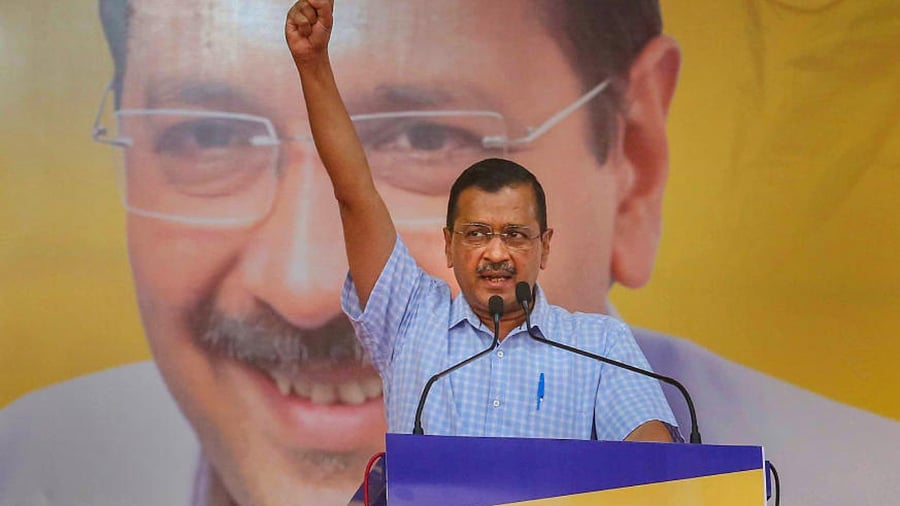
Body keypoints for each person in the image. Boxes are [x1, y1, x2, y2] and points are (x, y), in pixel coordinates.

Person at [1, 1, 898, 506]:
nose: (307, 287)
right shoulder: (33, 469)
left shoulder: (600, 361)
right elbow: (353, 191)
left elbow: (650, 449)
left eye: (428, 134)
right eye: (204, 135)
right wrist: (314, 69)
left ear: (631, 164)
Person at [288, 0, 678, 446]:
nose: (496, 253)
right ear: (449, 246)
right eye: (477, 235)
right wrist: (312, 63)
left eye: (514, 235)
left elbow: (654, 465)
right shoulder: (411, 319)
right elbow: (355, 194)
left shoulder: (598, 345)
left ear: (544, 247)